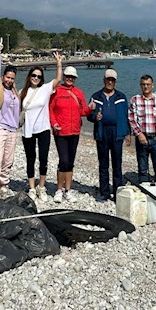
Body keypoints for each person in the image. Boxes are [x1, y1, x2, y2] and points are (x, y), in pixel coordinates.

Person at [20, 52, 63, 202]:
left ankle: (42, 187)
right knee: (30, 158)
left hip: (43, 128)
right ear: (29, 76)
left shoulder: (45, 88)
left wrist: (58, 62)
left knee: (43, 159)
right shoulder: (23, 92)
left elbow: (58, 79)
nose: (36, 78)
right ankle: (32, 188)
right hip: (28, 130)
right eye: (33, 75)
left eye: (38, 76)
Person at [49, 66, 95, 202]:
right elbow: (50, 109)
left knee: (70, 162)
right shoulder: (56, 91)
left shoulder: (78, 93)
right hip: (60, 131)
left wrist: (90, 109)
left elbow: (82, 111)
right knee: (63, 161)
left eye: (72, 77)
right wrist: (53, 123)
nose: (70, 79)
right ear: (64, 77)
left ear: (75, 79)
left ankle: (68, 190)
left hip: (74, 131)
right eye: (68, 76)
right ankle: (59, 190)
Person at [87, 69, 131, 202]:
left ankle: (118, 192)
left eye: (112, 80)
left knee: (117, 164)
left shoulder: (121, 97)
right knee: (103, 164)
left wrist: (128, 133)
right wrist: (95, 116)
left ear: (115, 82)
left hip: (117, 133)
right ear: (104, 80)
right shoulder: (96, 96)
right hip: (102, 133)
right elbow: (88, 115)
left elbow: (126, 116)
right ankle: (104, 192)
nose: (110, 82)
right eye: (108, 79)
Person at [128, 74, 156, 183]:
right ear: (140, 85)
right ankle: (144, 188)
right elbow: (131, 119)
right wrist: (139, 134)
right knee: (143, 168)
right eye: (143, 84)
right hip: (142, 138)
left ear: (152, 85)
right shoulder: (135, 100)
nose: (146, 87)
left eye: (148, 84)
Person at [0, 46, 20, 197]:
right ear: (3, 77)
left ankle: (4, 184)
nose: (9, 80)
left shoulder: (14, 91)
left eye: (12, 78)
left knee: (8, 160)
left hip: (12, 129)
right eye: (7, 77)